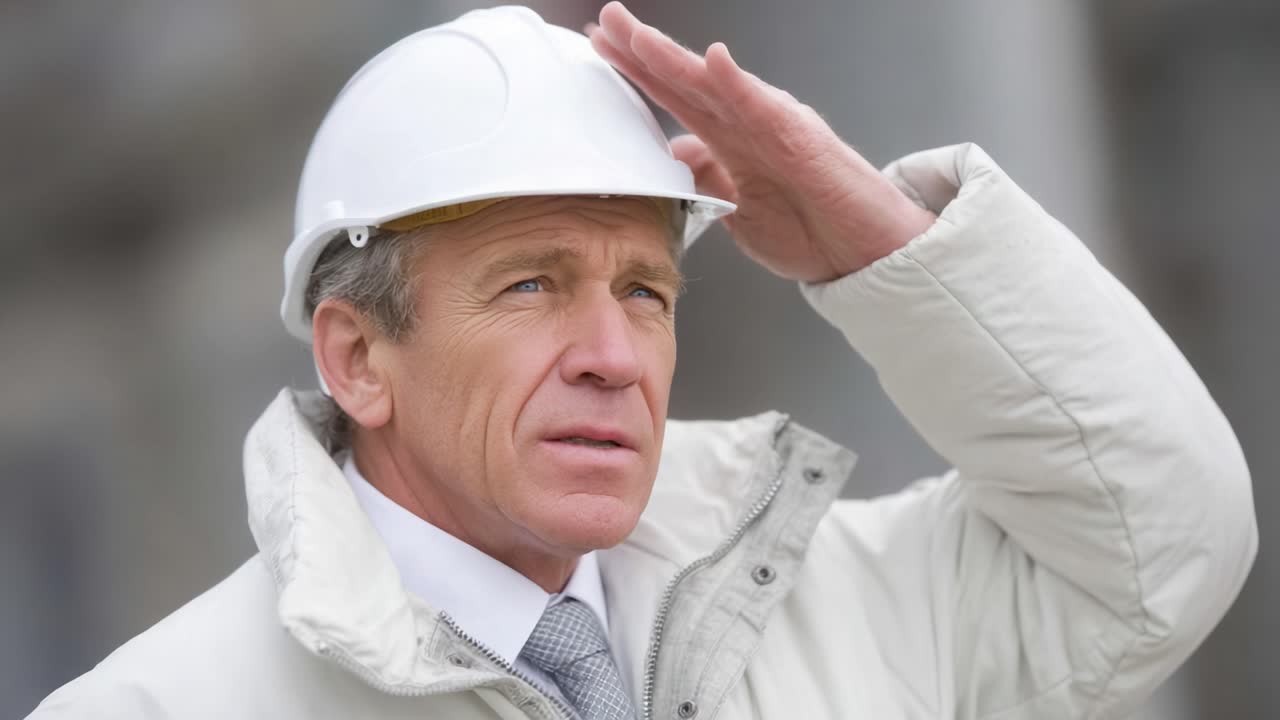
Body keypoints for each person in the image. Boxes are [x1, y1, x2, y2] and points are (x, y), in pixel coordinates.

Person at [28, 3, 1256, 719]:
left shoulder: (846, 594)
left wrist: (888, 251)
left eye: (645, 291)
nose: (614, 358)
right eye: (530, 285)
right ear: (357, 357)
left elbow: (1162, 542)